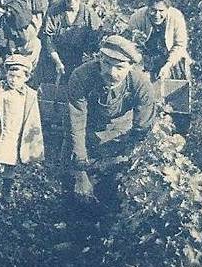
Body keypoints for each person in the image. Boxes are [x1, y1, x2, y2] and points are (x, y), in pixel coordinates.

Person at [67, 35, 159, 203]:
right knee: (74, 194)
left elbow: (142, 130)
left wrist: (121, 158)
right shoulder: (81, 77)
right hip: (86, 133)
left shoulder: (141, 85)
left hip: (120, 136)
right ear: (99, 58)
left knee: (113, 192)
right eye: (107, 64)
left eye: (119, 67)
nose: (111, 72)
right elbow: (75, 123)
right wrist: (81, 171)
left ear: (131, 66)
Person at [0, 55, 45, 203]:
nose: (13, 79)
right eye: (11, 75)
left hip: (15, 135)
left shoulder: (30, 96)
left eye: (18, 77)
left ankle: (6, 191)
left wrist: (32, 140)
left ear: (26, 78)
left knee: (10, 164)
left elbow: (33, 118)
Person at [42, 0, 103, 85]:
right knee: (51, 86)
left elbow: (97, 37)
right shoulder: (54, 11)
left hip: (78, 57)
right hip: (55, 55)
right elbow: (48, 40)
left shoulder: (88, 13)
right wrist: (57, 62)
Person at [125, 0, 192, 82]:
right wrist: (140, 64)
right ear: (147, 8)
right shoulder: (137, 17)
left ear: (167, 9)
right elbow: (130, 44)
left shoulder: (176, 17)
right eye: (153, 10)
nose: (157, 15)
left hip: (170, 55)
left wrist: (168, 65)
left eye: (161, 11)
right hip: (146, 56)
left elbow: (180, 45)